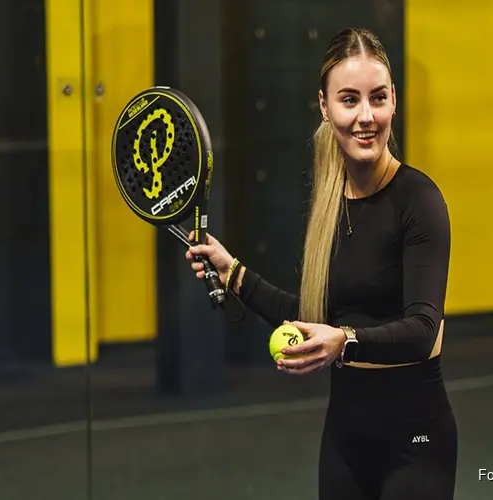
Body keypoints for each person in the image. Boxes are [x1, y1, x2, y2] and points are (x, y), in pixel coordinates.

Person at [186, 27, 456, 500]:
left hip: (417, 443)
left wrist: (344, 344)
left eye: (377, 98)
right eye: (349, 100)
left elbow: (422, 329)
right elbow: (322, 318)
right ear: (325, 106)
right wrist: (234, 274)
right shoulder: (331, 200)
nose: (366, 116)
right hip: (344, 443)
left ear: (394, 99)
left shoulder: (420, 201)